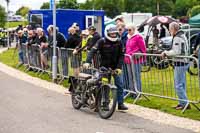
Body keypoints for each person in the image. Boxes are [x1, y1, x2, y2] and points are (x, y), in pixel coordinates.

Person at [83, 24, 128, 110]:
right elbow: (92, 51)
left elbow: (121, 55)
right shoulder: (101, 41)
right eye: (111, 34)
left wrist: (119, 67)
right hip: (104, 67)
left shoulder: (119, 42)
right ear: (107, 33)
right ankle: (105, 103)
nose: (113, 35)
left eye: (115, 33)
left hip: (115, 68)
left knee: (120, 84)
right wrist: (87, 62)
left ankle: (121, 104)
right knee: (104, 85)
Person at [161, 22, 190, 110]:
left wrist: (166, 53)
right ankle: (182, 102)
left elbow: (176, 52)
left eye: (170, 30)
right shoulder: (182, 35)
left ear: (173, 29)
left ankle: (185, 103)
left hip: (180, 62)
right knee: (182, 84)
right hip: (184, 62)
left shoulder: (177, 37)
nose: (169, 31)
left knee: (178, 85)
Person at [124, 23, 146, 97]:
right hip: (128, 60)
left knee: (136, 77)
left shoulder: (138, 37)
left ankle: (138, 93)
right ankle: (132, 91)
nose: (128, 31)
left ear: (134, 30)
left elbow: (143, 49)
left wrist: (143, 59)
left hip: (136, 61)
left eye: (129, 30)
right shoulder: (128, 37)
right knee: (130, 77)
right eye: (127, 30)